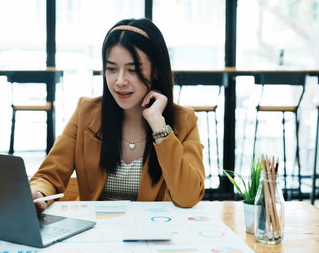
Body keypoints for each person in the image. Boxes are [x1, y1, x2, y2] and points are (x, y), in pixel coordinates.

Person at [30, 18, 205, 212]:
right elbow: (48, 176)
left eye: (132, 70)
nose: (120, 81)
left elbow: (188, 196)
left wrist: (158, 125)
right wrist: (39, 193)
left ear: (155, 70)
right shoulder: (86, 112)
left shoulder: (184, 120)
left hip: (152, 234)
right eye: (111, 69)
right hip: (97, 234)